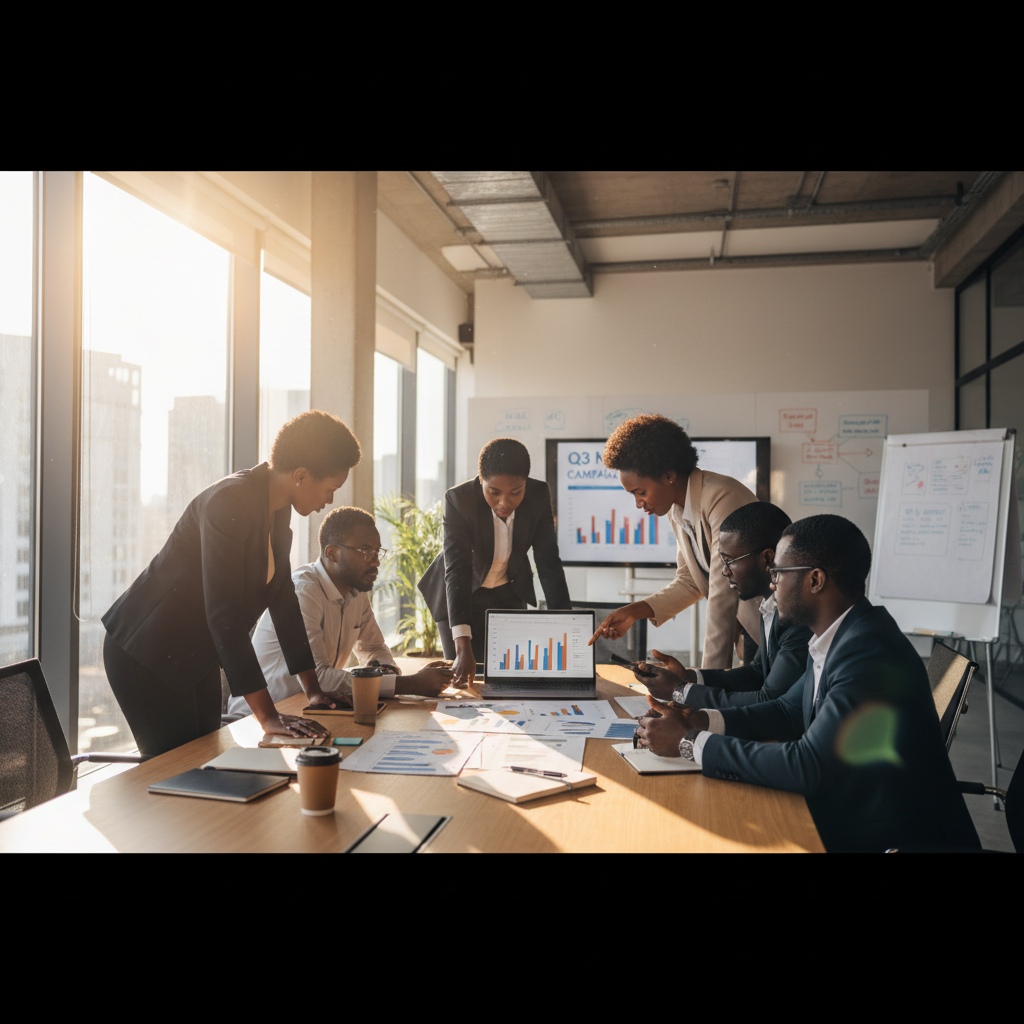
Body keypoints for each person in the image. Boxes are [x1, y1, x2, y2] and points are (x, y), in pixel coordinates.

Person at [635, 513, 981, 853]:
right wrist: (700, 720)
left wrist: (690, 743)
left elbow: (810, 766)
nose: (772, 584)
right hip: (854, 811)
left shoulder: (868, 653)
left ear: (815, 580)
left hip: (888, 837)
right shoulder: (840, 636)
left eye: (779, 573)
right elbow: (787, 712)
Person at [102, 410, 361, 756]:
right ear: (301, 476)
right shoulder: (229, 501)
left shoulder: (277, 508)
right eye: (330, 490)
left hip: (195, 652)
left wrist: (313, 691)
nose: (329, 501)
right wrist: (268, 717)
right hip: (147, 651)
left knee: (207, 759)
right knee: (177, 769)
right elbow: (224, 615)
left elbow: (283, 601)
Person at [228, 506, 453, 715]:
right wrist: (411, 684)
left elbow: (373, 648)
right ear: (332, 553)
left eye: (377, 551)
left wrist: (387, 672)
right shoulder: (303, 592)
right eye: (365, 550)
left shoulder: (356, 590)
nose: (376, 561)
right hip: (260, 717)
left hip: (316, 710)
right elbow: (320, 678)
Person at [589, 414, 760, 669]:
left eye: (640, 492)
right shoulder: (677, 509)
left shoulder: (722, 497)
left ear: (669, 475)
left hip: (773, 630)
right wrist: (634, 611)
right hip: (751, 634)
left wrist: (705, 680)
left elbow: (723, 592)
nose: (638, 503)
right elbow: (690, 581)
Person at [419, 437, 571, 686]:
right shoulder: (459, 500)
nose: (504, 502)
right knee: (463, 681)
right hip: (460, 593)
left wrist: (568, 629)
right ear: (481, 480)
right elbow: (457, 570)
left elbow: (548, 562)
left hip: (508, 592)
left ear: (526, 482)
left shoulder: (538, 494)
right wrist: (462, 646)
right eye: (494, 492)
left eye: (516, 492)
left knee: (512, 676)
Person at [634, 501, 812, 708]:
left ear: (767, 558)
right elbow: (757, 673)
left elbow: (768, 700)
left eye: (729, 561)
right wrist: (688, 677)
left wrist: (680, 691)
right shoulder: (770, 607)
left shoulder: (798, 619)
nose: (725, 571)